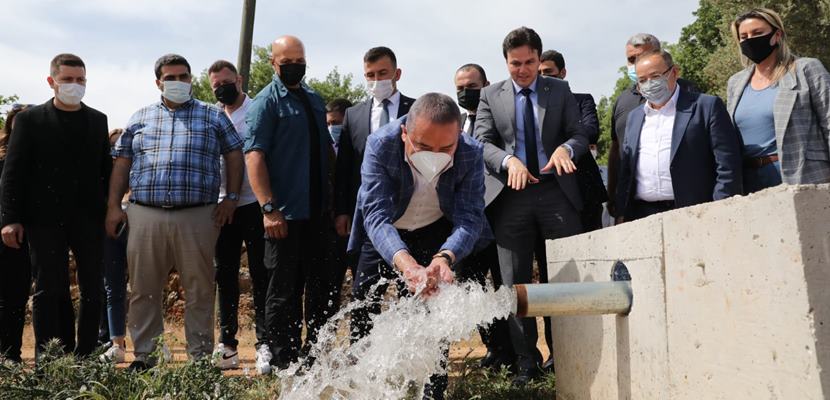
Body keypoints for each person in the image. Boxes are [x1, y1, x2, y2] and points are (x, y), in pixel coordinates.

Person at [106, 53, 244, 371]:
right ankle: (145, 356)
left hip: (198, 215)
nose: (178, 83)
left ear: (191, 79)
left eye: (184, 77)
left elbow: (235, 154)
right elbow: (122, 163)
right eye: (171, 78)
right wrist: (114, 206)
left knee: (200, 288)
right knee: (143, 288)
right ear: (158, 82)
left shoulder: (213, 116)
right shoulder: (139, 117)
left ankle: (199, 357)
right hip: (145, 213)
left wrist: (232, 197)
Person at [349, 93, 488, 400]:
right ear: (404, 133)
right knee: (364, 299)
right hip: (386, 232)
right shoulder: (380, 144)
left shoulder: (471, 153)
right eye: (423, 147)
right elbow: (375, 215)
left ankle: (432, 389)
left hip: (435, 230)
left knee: (432, 306)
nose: (434, 155)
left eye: (445, 148)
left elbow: (469, 217)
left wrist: (445, 256)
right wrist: (406, 263)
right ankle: (360, 384)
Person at [475, 27, 589, 385]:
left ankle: (564, 353)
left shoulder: (560, 90)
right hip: (511, 197)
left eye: (529, 62)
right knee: (515, 284)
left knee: (563, 279)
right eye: (514, 64)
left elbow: (580, 133)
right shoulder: (490, 95)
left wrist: (565, 148)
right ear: (505, 62)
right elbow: (481, 140)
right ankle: (528, 361)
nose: (522, 70)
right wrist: (508, 162)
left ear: (540, 60)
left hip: (557, 193)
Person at [1, 54, 111, 359]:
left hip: (89, 219)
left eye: (80, 80)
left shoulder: (98, 120)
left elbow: (105, 170)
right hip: (43, 220)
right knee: (49, 289)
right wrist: (10, 219)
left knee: (92, 289)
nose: (75, 85)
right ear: (52, 82)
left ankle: (86, 356)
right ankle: (49, 361)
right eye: (68, 80)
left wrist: (111, 209)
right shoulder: (29, 120)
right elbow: (13, 173)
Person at [244, 35, 336, 370]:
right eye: (287, 63)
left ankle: (315, 356)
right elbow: (254, 157)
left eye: (300, 61)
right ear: (273, 63)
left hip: (317, 214)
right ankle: (284, 359)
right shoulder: (266, 102)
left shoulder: (313, 98)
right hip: (284, 214)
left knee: (320, 288)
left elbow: (326, 150)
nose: (295, 67)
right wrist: (269, 208)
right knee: (282, 290)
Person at [536, 49, 609, 373]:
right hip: (547, 201)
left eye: (549, 71)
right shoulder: (529, 106)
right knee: (555, 276)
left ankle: (596, 344)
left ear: (563, 73)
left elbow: (590, 131)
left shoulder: (580, 100)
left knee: (589, 270)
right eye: (540, 72)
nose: (544, 77)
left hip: (583, 197)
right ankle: (556, 351)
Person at [616, 50, 743, 221]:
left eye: (655, 76)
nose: (649, 84)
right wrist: (622, 212)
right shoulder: (634, 117)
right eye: (642, 80)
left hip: (697, 213)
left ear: (674, 72)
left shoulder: (706, 106)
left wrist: (720, 207)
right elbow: (627, 170)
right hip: (644, 215)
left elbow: (727, 165)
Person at [206, 60, 271, 373]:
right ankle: (228, 344)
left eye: (226, 82)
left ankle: (265, 344)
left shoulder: (259, 109)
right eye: (216, 85)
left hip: (255, 205)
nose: (221, 88)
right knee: (225, 275)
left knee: (262, 274)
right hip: (223, 206)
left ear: (240, 80)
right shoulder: (212, 114)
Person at [453, 63, 515, 371]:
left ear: (487, 85)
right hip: (468, 222)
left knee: (505, 285)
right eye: (460, 88)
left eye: (472, 87)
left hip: (500, 216)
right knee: (470, 287)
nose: (466, 93)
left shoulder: (503, 122)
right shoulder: (456, 123)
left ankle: (515, 349)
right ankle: (494, 348)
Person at [727, 7, 830, 192]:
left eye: (757, 33)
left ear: (777, 35)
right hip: (751, 181)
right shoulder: (735, 83)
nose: (750, 40)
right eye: (744, 36)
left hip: (804, 175)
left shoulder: (806, 69)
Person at [606, 34, 699, 218]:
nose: (636, 62)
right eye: (631, 59)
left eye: (642, 56)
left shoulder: (689, 94)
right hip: (638, 207)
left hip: (686, 202)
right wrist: (613, 196)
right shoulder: (623, 102)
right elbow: (616, 150)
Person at [334, 46, 415, 241]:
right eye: (370, 75)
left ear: (397, 74)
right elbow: (344, 167)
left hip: (409, 210)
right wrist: (342, 211)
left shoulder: (417, 110)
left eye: (382, 73)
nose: (377, 80)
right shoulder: (353, 116)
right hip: (365, 210)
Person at [0, 103, 32, 363]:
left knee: (16, 295)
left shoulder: (42, 155)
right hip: (2, 230)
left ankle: (12, 353)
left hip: (27, 235)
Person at [99, 128, 129, 364]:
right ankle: (116, 343)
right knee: (113, 288)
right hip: (110, 234)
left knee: (144, 287)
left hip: (138, 228)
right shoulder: (101, 175)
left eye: (121, 145)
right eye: (113, 146)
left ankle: (149, 343)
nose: (117, 150)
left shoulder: (138, 170)